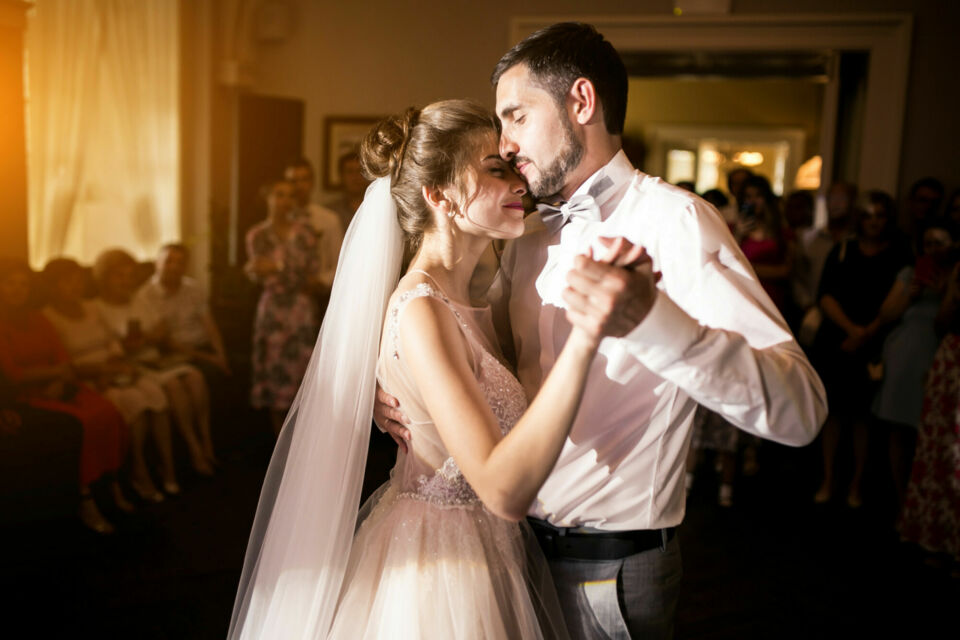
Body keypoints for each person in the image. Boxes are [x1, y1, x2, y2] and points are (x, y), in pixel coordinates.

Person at [378, 22, 827, 639]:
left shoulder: (677, 222)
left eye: (515, 117)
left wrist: (656, 325)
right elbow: (474, 355)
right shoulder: (524, 234)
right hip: (505, 557)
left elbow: (801, 410)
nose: (506, 145)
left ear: (581, 102)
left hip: (609, 571)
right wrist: (395, 390)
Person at [229, 100, 636, 639]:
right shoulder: (423, 310)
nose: (520, 183)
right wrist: (590, 334)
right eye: (496, 169)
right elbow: (495, 480)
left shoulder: (477, 298)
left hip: (491, 549)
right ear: (439, 195)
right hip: (440, 569)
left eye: (514, 168)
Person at [0, 260, 127, 533]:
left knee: (107, 411)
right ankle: (86, 497)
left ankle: (113, 484)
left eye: (23, 284)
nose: (17, 290)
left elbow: (63, 357)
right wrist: (54, 373)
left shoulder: (38, 318)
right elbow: (14, 374)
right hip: (29, 394)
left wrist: (59, 376)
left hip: (59, 384)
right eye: (10, 283)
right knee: (81, 425)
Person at [41, 257, 174, 507]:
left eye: (78, 281)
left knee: (155, 393)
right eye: (67, 282)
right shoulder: (48, 317)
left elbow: (111, 339)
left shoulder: (91, 307)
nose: (75, 287)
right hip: (89, 377)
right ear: (53, 286)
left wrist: (117, 360)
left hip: (114, 367)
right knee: (134, 402)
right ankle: (139, 472)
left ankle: (168, 468)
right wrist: (102, 370)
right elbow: (63, 360)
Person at [812, 191, 911, 508]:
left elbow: (896, 303)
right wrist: (851, 329)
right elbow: (825, 294)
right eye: (868, 215)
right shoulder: (843, 249)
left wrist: (867, 333)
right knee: (833, 414)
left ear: (888, 218)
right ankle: (828, 479)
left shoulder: (898, 254)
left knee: (862, 417)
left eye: (880, 215)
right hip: (838, 339)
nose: (873, 222)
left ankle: (856, 484)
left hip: (875, 341)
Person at [93, 248, 211, 481]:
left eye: (130, 275)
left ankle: (205, 442)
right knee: (175, 387)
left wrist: (145, 339)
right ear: (105, 277)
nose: (126, 281)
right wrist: (141, 341)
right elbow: (115, 346)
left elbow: (161, 328)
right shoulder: (97, 308)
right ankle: (192, 451)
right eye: (119, 275)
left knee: (195, 377)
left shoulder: (138, 299)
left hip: (157, 358)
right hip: (136, 365)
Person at [244, 180, 320, 435]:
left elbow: (310, 276)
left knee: (302, 372)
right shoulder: (257, 235)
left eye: (289, 196)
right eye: (278, 195)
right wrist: (265, 271)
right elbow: (256, 272)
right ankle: (280, 442)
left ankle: (304, 438)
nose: (283, 201)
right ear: (268, 198)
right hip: (272, 309)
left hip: (299, 309)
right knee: (274, 373)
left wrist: (276, 268)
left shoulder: (305, 234)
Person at [284, 158, 344, 298]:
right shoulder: (282, 219)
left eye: (304, 180)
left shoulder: (329, 219)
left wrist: (320, 281)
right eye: (293, 181)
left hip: (320, 295)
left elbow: (339, 263)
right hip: (285, 293)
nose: (299, 186)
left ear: (312, 183)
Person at [324, 150, 369, 231]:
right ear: (341, 176)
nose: (356, 177)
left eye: (360, 171)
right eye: (350, 172)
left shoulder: (377, 208)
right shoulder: (330, 212)